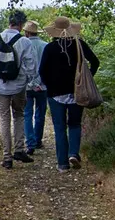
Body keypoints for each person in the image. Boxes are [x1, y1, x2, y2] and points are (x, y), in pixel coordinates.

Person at [39, 17, 99, 173]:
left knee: (59, 128)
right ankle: (73, 153)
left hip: (55, 94)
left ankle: (62, 164)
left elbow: (42, 71)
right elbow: (95, 62)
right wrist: (88, 77)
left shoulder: (50, 48)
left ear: (54, 31)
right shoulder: (79, 45)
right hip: (77, 92)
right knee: (74, 124)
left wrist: (49, 86)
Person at [0, 11, 37, 169]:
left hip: (1, 87)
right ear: (21, 24)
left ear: (9, 22)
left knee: (4, 120)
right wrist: (26, 81)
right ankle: (19, 150)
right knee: (19, 116)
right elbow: (31, 67)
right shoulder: (24, 42)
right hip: (19, 87)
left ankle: (7, 157)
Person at [22, 20, 48, 155]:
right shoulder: (46, 46)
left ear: (26, 32)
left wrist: (30, 83)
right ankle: (38, 140)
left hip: (26, 86)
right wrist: (39, 83)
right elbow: (48, 68)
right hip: (42, 86)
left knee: (27, 114)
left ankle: (30, 143)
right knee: (40, 113)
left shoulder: (22, 45)